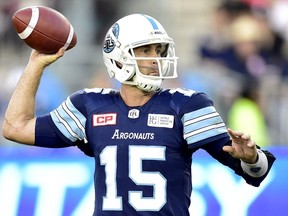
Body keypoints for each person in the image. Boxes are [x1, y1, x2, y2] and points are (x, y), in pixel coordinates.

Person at [2, 14, 276, 216]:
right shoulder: (90, 105)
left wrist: (251, 157)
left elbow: (255, 174)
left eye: (159, 50)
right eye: (145, 50)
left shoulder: (187, 105)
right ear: (118, 58)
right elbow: (15, 127)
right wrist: (36, 64)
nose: (155, 59)